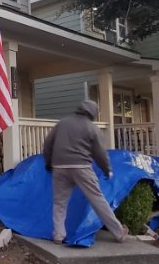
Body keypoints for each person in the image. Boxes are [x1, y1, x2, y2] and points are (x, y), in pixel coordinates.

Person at [42, 99, 134, 243]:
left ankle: (59, 235)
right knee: (97, 199)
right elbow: (100, 153)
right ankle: (118, 232)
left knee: (59, 203)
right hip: (81, 168)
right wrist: (107, 169)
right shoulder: (91, 127)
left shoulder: (63, 123)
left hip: (59, 167)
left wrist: (49, 163)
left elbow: (47, 144)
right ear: (93, 113)